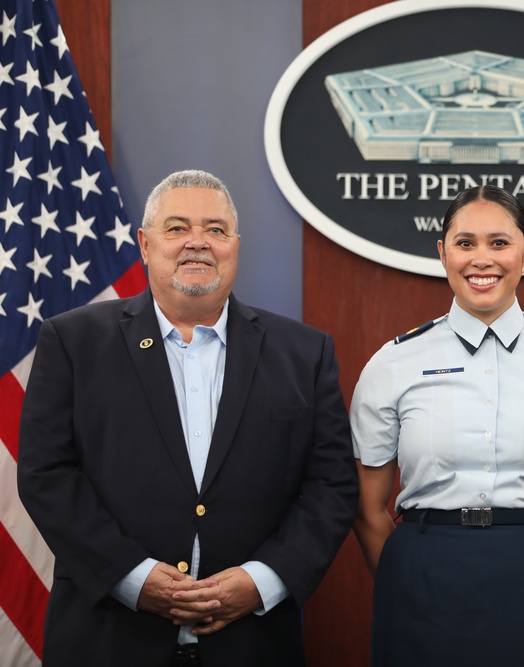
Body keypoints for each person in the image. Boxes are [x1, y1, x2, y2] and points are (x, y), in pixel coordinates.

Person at [17, 169, 359, 666]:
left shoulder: (304, 353)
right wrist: (130, 576)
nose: (198, 243)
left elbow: (332, 485)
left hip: (253, 643)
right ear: (144, 243)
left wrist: (264, 579)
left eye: (216, 230)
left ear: (235, 245)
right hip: (109, 640)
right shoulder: (72, 342)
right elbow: (46, 474)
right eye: (177, 228)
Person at [350, 184, 524, 667]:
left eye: (500, 243)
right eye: (465, 243)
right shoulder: (393, 363)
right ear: (442, 253)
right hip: (424, 577)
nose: (483, 259)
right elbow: (367, 509)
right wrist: (408, 573)